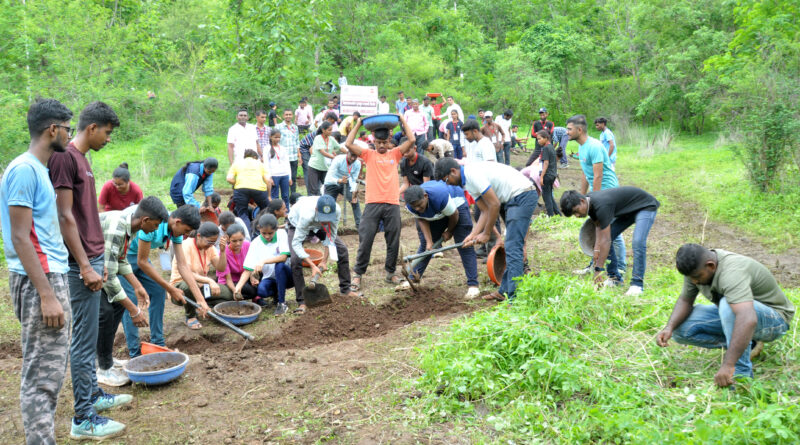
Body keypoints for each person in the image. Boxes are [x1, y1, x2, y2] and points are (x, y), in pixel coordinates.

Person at [48, 101, 130, 439]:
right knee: (82, 343)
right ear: (92, 128)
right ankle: (82, 418)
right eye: (107, 132)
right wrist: (84, 265)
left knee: (90, 335)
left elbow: (86, 216)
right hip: (78, 265)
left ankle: (93, 397)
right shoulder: (65, 158)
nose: (109, 139)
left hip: (94, 260)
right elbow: (64, 216)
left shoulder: (83, 160)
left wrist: (99, 261)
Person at [0, 98, 75, 444]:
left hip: (50, 275)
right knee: (41, 375)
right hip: (40, 282)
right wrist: (47, 294)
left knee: (52, 369)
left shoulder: (38, 170)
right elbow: (19, 235)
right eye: (67, 128)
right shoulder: (24, 170)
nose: (69, 134)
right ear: (52, 129)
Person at [656, 244, 794, 387]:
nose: (694, 282)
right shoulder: (695, 269)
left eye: (697, 277)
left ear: (711, 266)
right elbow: (685, 300)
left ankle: (741, 376)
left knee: (727, 305)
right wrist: (669, 327)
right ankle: (749, 344)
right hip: (741, 314)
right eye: (690, 278)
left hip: (774, 320)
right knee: (681, 329)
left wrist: (728, 365)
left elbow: (747, 319)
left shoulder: (732, 271)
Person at [436, 158, 537, 302]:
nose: (448, 184)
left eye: (446, 180)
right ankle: (504, 291)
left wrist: (487, 233)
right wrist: (473, 234)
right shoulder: (466, 183)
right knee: (510, 246)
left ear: (453, 171)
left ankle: (514, 298)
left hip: (523, 195)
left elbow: (494, 205)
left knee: (513, 247)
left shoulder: (472, 174)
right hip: (512, 198)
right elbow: (484, 211)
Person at [96, 197, 168, 388]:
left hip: (100, 267)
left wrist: (137, 286)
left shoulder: (132, 228)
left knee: (115, 309)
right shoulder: (117, 227)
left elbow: (120, 260)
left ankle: (107, 361)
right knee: (104, 314)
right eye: (154, 225)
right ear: (145, 220)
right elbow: (110, 277)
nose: (155, 230)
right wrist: (133, 310)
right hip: (79, 266)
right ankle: (103, 369)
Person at [120, 205, 203, 357]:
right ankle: (135, 352)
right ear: (177, 222)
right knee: (130, 300)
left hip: (139, 256)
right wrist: (171, 288)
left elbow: (183, 265)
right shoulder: (155, 224)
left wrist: (200, 299)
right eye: (185, 231)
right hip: (123, 257)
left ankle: (158, 342)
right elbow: (142, 262)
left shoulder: (175, 230)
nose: (185, 235)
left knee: (158, 290)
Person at [345, 115, 416, 289]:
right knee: (366, 238)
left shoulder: (396, 153)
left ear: (390, 141)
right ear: (373, 141)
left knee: (393, 239)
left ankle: (390, 273)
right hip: (372, 204)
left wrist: (401, 119)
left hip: (392, 203)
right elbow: (348, 144)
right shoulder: (368, 154)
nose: (382, 146)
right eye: (379, 143)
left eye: (385, 142)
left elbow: (412, 139)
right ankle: (358, 274)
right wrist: (359, 123)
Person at [560, 186, 659, 295]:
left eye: (576, 211)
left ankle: (637, 284)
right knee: (606, 238)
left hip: (645, 206)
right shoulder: (590, 203)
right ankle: (615, 278)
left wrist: (598, 269)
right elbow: (598, 226)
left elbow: (606, 240)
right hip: (628, 211)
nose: (577, 215)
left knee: (638, 242)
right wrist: (596, 250)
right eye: (574, 215)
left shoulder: (601, 205)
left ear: (582, 201)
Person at [568, 114, 627, 275]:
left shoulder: (594, 146)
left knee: (611, 229)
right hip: (598, 192)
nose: (567, 132)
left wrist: (595, 199)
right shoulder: (582, 147)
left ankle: (620, 266)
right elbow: (585, 173)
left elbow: (598, 175)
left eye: (569, 129)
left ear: (579, 130)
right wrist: (581, 197)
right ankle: (594, 263)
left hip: (609, 192)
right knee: (598, 228)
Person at [404, 183, 480, 298]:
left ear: (425, 196)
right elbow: (421, 219)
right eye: (415, 207)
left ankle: (473, 285)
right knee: (426, 246)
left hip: (456, 207)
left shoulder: (439, 197)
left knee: (464, 244)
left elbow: (454, 214)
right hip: (438, 211)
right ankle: (412, 279)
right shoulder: (412, 205)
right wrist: (430, 242)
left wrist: (449, 231)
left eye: (419, 205)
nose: (418, 209)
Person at [286, 195, 360, 314]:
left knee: (342, 250)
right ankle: (302, 301)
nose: (325, 221)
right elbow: (296, 244)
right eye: (323, 218)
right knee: (295, 260)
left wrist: (324, 261)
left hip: (318, 226)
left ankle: (345, 289)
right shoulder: (306, 215)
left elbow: (331, 237)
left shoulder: (336, 211)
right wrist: (313, 266)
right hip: (296, 223)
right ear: (316, 210)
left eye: (328, 218)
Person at [169, 222, 231, 329]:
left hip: (201, 287)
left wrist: (222, 251)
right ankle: (191, 316)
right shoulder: (186, 245)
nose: (211, 245)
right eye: (209, 242)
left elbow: (221, 268)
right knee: (188, 286)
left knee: (228, 294)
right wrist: (209, 281)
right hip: (180, 288)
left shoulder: (209, 247)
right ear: (199, 236)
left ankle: (202, 307)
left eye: (214, 242)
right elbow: (187, 273)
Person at [235, 214, 293, 315]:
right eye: (263, 233)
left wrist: (264, 261)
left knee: (279, 266)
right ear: (259, 229)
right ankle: (276, 293)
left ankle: (282, 303)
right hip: (270, 278)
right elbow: (247, 270)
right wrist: (238, 288)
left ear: (276, 228)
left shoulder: (281, 234)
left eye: (270, 233)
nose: (267, 236)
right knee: (261, 291)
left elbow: (283, 258)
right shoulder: (255, 243)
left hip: (287, 276)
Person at [227, 149, 271, 231]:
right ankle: (262, 230)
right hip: (259, 189)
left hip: (241, 189)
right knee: (267, 210)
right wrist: (268, 196)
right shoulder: (260, 164)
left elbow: (229, 179)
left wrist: (238, 183)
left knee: (242, 213)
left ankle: (248, 235)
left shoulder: (237, 163)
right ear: (255, 157)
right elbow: (268, 181)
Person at [217, 224, 259, 303]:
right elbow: (228, 279)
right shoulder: (223, 252)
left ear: (244, 237)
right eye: (234, 241)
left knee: (259, 283)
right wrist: (235, 291)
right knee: (251, 291)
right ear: (228, 239)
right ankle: (232, 297)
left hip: (244, 278)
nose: (238, 243)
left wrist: (252, 276)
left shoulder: (247, 245)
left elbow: (251, 265)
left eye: (240, 240)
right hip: (231, 282)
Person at [324, 150, 363, 228]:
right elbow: (328, 178)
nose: (352, 158)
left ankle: (360, 226)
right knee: (327, 204)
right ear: (347, 153)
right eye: (351, 155)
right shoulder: (338, 160)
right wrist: (339, 180)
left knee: (355, 201)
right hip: (332, 183)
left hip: (346, 183)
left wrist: (353, 192)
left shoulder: (357, 163)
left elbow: (353, 179)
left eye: (355, 156)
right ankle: (326, 226)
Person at [307, 121, 343, 196]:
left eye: (331, 130)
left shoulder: (331, 139)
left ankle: (325, 203)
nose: (331, 132)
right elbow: (322, 152)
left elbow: (340, 148)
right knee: (314, 189)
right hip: (315, 167)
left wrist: (349, 152)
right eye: (329, 130)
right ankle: (313, 205)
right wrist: (334, 158)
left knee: (328, 187)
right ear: (323, 130)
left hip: (326, 168)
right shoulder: (318, 138)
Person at [535, 130, 561, 216]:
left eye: (539, 139)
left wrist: (541, 177)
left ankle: (551, 216)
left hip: (547, 175)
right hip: (553, 174)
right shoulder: (551, 147)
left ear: (546, 138)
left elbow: (545, 163)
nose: (538, 141)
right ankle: (558, 214)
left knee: (546, 197)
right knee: (550, 196)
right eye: (537, 139)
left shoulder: (546, 148)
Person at [266, 129, 293, 209]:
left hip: (284, 174)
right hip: (274, 175)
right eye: (275, 137)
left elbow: (287, 163)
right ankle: (275, 212)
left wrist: (289, 177)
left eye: (279, 137)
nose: (277, 139)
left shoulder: (283, 148)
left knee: (285, 195)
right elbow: (266, 164)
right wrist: (269, 177)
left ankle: (287, 211)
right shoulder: (267, 148)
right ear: (270, 137)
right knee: (275, 196)